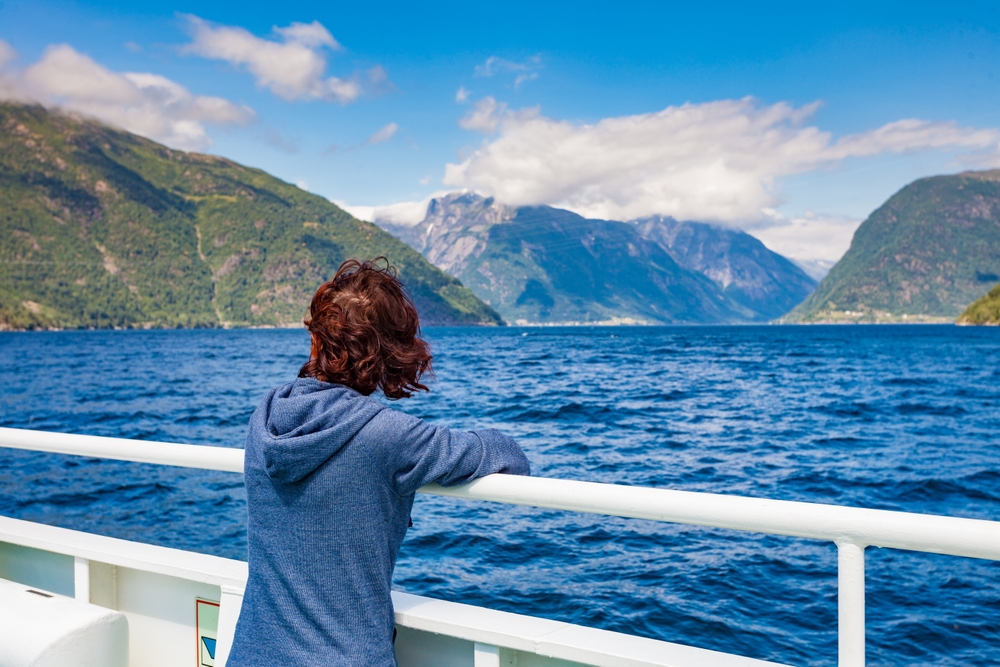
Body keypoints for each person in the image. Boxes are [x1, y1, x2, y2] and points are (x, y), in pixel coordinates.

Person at [226, 258, 530, 667]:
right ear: (389, 351)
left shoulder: (263, 417)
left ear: (317, 338)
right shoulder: (387, 435)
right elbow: (506, 455)